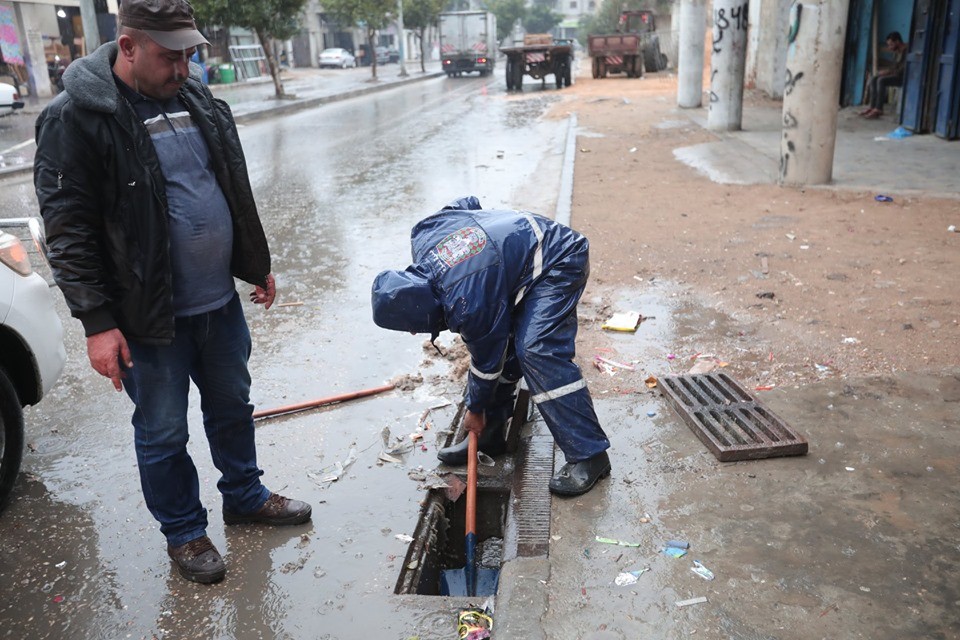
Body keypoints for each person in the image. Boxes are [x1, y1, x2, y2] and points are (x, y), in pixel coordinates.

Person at [34, 0, 311, 585]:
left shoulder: (196, 98)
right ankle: (184, 531)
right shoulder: (77, 117)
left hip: (218, 304)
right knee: (163, 432)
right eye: (169, 57)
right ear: (128, 46)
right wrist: (97, 323)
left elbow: (227, 185)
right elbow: (68, 230)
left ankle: (245, 496)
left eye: (189, 55)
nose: (183, 69)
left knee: (233, 407)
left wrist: (253, 264)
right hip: (147, 318)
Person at [371, 197, 612, 497]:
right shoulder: (424, 234)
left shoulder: (466, 302)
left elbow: (487, 364)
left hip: (558, 257)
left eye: (412, 325)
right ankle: (492, 434)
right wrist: (491, 249)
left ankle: (590, 455)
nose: (411, 332)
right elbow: (465, 203)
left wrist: (475, 409)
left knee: (536, 350)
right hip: (520, 253)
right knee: (506, 342)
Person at [860, 31, 908, 119]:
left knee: (881, 80)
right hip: (896, 74)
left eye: (891, 45)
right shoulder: (896, 51)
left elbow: (901, 70)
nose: (890, 47)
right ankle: (872, 107)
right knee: (874, 78)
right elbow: (894, 66)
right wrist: (887, 71)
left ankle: (879, 109)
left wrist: (888, 72)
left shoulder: (906, 51)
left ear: (897, 42)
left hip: (903, 77)